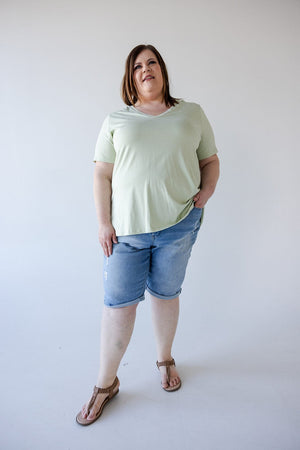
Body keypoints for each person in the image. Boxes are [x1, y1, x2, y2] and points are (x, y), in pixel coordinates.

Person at [76, 44, 220, 426]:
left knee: (166, 295)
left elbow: (210, 160)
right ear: (131, 77)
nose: (145, 69)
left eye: (151, 62)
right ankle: (106, 384)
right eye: (137, 66)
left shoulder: (191, 113)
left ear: (162, 70)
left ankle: (164, 358)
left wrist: (205, 193)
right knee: (118, 306)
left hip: (178, 225)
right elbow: (102, 174)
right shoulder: (116, 120)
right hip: (126, 233)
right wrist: (104, 223)